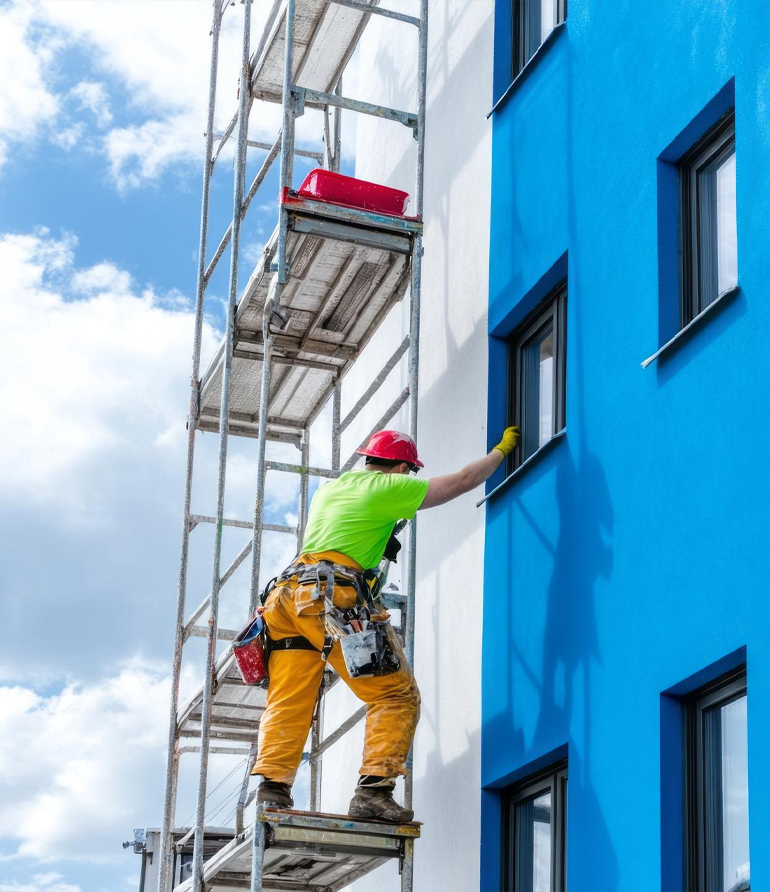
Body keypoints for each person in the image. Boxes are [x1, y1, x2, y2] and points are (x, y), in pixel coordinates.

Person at [253, 425, 520, 822]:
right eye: (408, 473)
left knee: (290, 699)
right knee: (395, 695)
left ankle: (271, 790)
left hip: (287, 601)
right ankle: (373, 792)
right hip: (331, 598)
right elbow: (463, 481)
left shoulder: (332, 488)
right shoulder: (385, 486)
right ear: (399, 467)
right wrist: (501, 451)